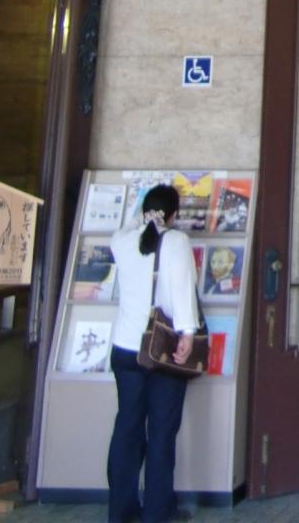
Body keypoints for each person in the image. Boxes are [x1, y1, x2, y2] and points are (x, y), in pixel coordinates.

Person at [108, 184, 199, 523]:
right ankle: (157, 512)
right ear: (173, 214)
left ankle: (121, 512)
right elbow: (183, 289)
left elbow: (134, 227)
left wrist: (145, 217)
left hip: (124, 349)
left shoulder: (121, 240)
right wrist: (187, 333)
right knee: (161, 432)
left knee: (127, 430)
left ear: (145, 211)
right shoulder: (176, 241)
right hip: (160, 351)